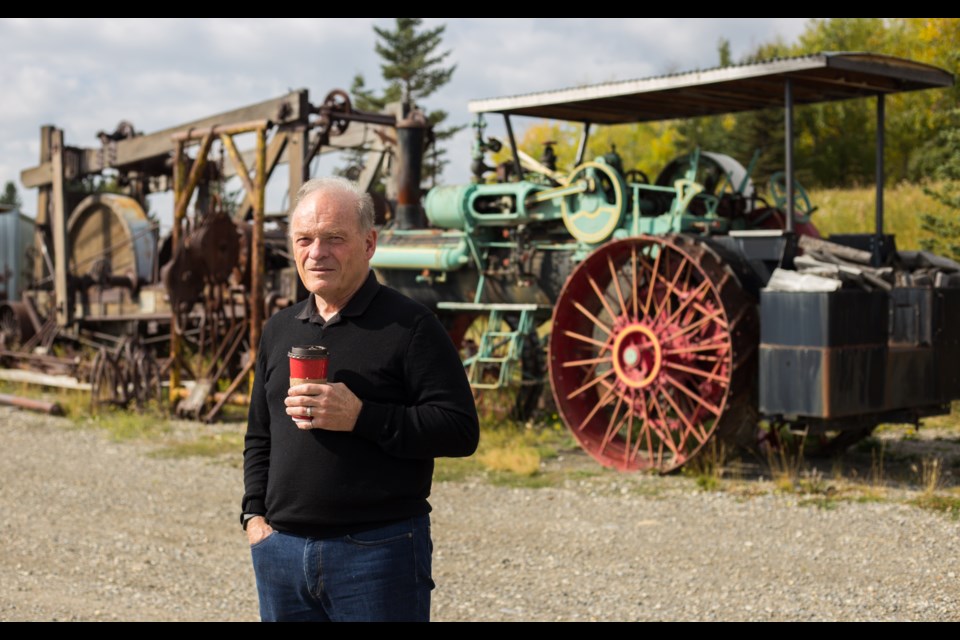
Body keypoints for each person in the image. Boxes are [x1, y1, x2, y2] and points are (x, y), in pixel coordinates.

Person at [241, 176, 479, 622]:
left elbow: (460, 429)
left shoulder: (410, 326)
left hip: (377, 552)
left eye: (334, 239)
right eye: (305, 239)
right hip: (281, 554)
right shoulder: (279, 329)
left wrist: (362, 416)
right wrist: (255, 518)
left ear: (369, 243)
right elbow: (260, 433)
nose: (317, 253)